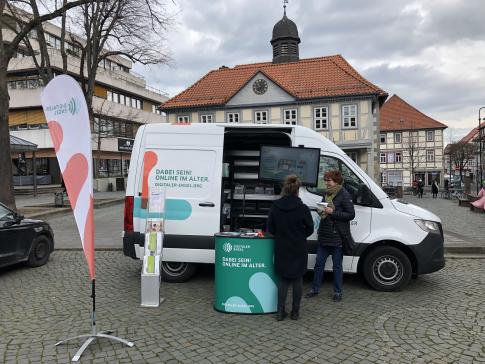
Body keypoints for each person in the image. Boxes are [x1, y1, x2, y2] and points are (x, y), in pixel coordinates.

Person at [267, 175, 314, 321]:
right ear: (297, 190)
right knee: (297, 279)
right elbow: (310, 228)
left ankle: (280, 312)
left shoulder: (275, 206)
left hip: (282, 246)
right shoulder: (302, 208)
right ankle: (295, 312)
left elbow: (270, 228)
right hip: (298, 246)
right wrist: (300, 235)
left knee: (284, 279)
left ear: (285, 189)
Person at [305, 170, 355, 302]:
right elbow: (324, 210)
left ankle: (338, 292)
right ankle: (315, 289)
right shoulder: (327, 194)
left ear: (336, 182)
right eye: (326, 180)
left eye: (329, 180)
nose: (326, 183)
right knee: (318, 264)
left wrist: (333, 212)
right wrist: (320, 210)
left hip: (337, 236)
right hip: (324, 235)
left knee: (337, 266)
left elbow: (351, 215)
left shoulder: (344, 194)